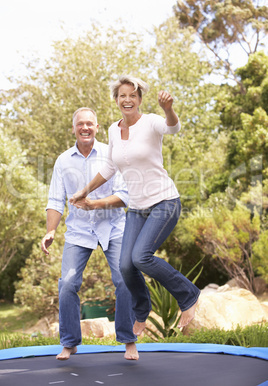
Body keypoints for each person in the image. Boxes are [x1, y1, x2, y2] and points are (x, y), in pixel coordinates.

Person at [69, 75, 201, 337]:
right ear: (116, 100)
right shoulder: (113, 129)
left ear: (140, 99)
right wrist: (84, 190)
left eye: (132, 95)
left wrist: (168, 109)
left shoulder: (151, 122)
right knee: (126, 265)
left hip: (164, 201)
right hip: (138, 208)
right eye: (122, 96)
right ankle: (142, 311)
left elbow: (173, 128)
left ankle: (189, 295)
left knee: (141, 257)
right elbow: (109, 167)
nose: (127, 100)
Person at [41, 107, 139, 361]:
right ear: (73, 128)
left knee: (124, 280)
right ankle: (70, 342)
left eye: (89, 124)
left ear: (96, 127)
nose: (85, 128)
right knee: (67, 285)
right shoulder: (63, 161)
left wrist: (93, 203)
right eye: (80, 124)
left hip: (113, 227)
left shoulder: (111, 154)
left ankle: (129, 341)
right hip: (79, 231)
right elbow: (55, 200)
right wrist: (50, 230)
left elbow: (124, 197)